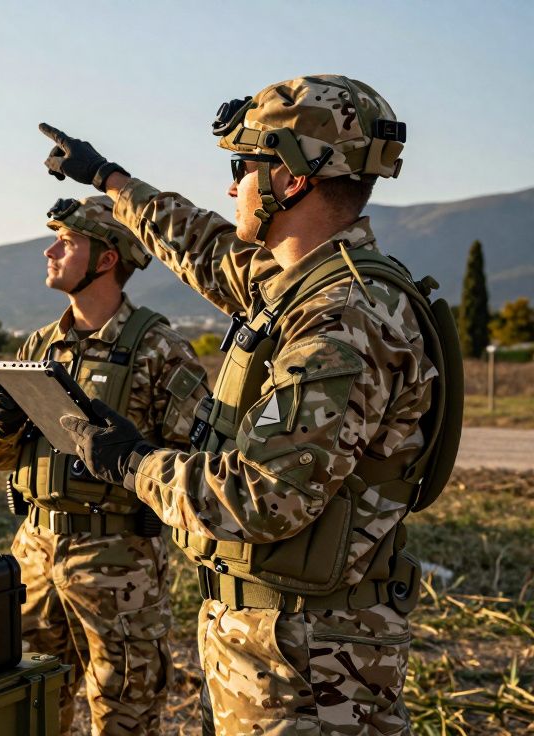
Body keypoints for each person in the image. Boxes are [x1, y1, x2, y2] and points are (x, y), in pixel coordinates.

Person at [39, 74, 461, 734]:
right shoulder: (300, 285)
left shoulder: (341, 321)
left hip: (312, 675)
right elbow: (204, 248)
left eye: (244, 166)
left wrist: (131, 462)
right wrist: (112, 181)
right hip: (275, 653)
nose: (231, 186)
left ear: (293, 179)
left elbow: (260, 496)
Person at [0, 196, 209, 734]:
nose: (50, 250)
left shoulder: (160, 350)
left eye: (68, 241)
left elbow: (201, 467)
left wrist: (134, 459)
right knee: (25, 705)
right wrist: (1, 422)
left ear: (105, 261)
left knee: (125, 713)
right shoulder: (39, 346)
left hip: (119, 564)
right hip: (34, 554)